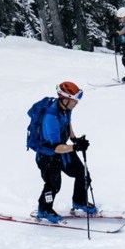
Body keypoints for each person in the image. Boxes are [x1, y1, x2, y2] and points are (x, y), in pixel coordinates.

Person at [33, 81, 97, 223]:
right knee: (53, 185)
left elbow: (67, 122)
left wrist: (75, 139)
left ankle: (79, 201)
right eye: (75, 100)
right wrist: (75, 148)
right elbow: (55, 147)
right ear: (65, 99)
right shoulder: (50, 117)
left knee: (83, 173)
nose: (77, 103)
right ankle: (44, 209)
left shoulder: (66, 107)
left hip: (62, 149)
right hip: (47, 155)